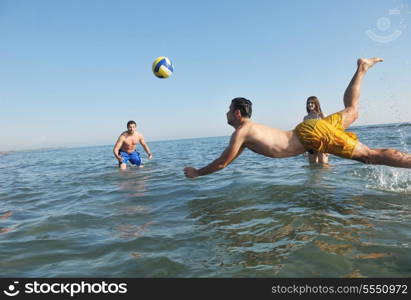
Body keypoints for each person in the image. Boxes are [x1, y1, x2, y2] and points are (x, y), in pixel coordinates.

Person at [184, 57, 411, 178]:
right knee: (352, 111)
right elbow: (229, 160)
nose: (225, 114)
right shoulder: (248, 133)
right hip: (311, 128)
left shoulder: (241, 133)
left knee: (370, 156)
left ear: (236, 113)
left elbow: (223, 162)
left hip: (310, 135)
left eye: (227, 110)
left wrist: (197, 173)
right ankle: (362, 68)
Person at [303, 96, 329, 165]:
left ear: (316, 104)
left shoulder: (322, 115)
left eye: (312, 103)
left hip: (322, 143)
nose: (310, 104)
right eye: (308, 103)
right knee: (312, 166)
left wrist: (328, 147)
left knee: (324, 166)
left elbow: (329, 131)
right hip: (311, 144)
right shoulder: (306, 118)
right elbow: (305, 134)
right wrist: (305, 148)